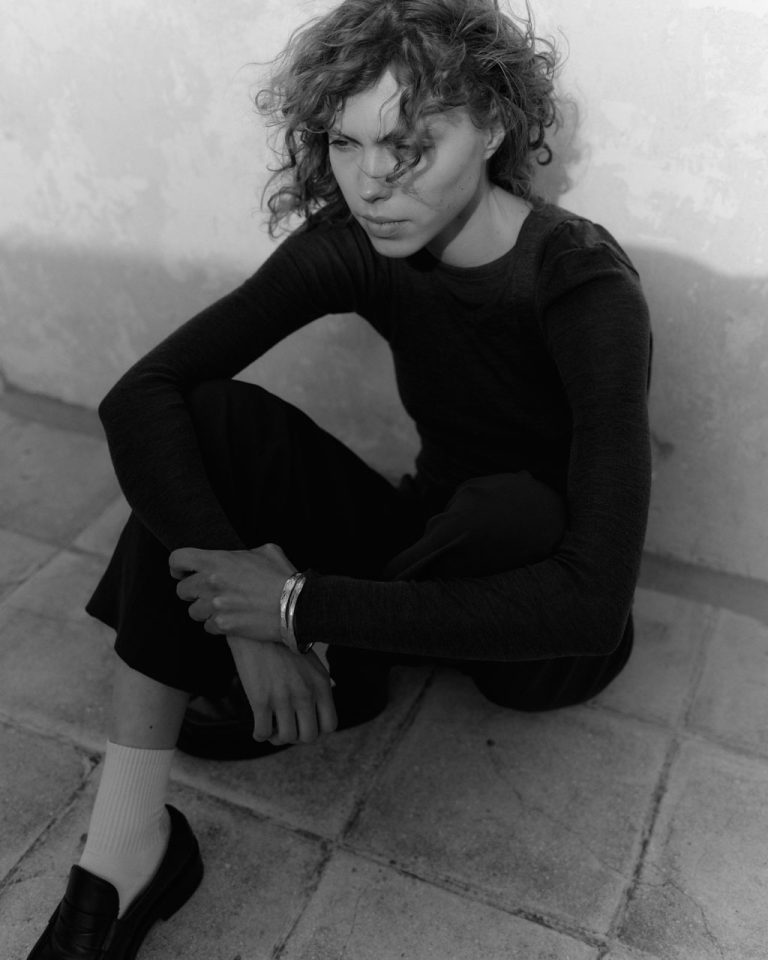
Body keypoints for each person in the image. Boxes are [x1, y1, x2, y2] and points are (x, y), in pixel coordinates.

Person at [27, 0, 652, 956]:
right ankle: (125, 848)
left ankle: (343, 653)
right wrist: (250, 615)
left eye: (410, 145)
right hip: (423, 545)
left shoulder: (583, 284)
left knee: (512, 507)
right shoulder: (362, 240)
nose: (371, 182)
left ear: (493, 125)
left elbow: (592, 605)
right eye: (346, 142)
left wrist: (294, 606)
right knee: (209, 419)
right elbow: (140, 394)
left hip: (541, 628)